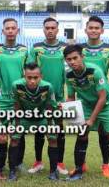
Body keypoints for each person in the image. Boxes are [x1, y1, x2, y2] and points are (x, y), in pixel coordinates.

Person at [63, 44, 109, 187]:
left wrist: (91, 120)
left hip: (107, 105)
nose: (72, 62)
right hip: (87, 105)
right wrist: (69, 112)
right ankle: (78, 170)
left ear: (82, 57)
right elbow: (71, 97)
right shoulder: (69, 75)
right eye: (68, 59)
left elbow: (102, 98)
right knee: (81, 134)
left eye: (75, 58)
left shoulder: (95, 71)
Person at [80, 15, 109, 178]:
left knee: (104, 133)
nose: (93, 30)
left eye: (97, 28)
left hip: (102, 96)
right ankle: (81, 165)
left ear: (102, 30)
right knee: (82, 132)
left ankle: (105, 166)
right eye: (91, 27)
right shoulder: (80, 49)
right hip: (85, 97)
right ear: (86, 30)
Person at [27, 17, 68, 175]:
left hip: (58, 96)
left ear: (58, 30)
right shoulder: (36, 48)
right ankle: (38, 162)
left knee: (58, 129)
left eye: (53, 28)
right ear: (43, 30)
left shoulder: (65, 48)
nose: (50, 30)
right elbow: (31, 71)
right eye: (47, 28)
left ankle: (60, 162)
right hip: (39, 96)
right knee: (39, 129)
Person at [0, 18, 28, 173]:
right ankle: (1, 164)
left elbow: (30, 71)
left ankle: (18, 162)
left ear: (17, 31)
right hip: (1, 97)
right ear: (3, 31)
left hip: (19, 97)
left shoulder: (24, 50)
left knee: (19, 131)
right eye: (7, 28)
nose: (10, 31)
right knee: (1, 131)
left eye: (13, 28)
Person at [7, 62, 59, 181]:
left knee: (53, 139)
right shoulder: (16, 85)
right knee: (14, 139)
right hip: (24, 118)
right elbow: (16, 105)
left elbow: (50, 107)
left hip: (42, 118)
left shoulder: (48, 87)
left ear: (41, 76)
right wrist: (17, 125)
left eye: (35, 77)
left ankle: (53, 172)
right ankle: (12, 171)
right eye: (29, 77)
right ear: (24, 76)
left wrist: (50, 126)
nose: (32, 81)